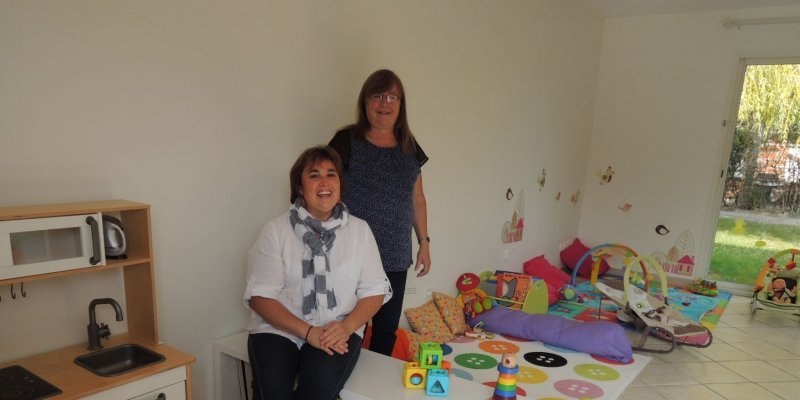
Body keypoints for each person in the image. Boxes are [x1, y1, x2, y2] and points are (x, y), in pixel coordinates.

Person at [244, 145, 392, 400]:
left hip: (338, 325)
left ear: (340, 184)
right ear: (300, 187)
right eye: (314, 175)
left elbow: (375, 291)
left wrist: (347, 327)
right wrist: (308, 332)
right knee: (272, 392)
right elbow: (260, 297)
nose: (324, 182)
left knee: (318, 390)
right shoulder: (276, 230)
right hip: (279, 328)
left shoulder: (360, 230)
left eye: (331, 174)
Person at [329, 69, 430, 356]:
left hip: (395, 256)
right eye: (376, 96)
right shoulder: (346, 140)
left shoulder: (409, 146)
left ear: (400, 104)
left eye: (391, 97)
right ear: (365, 101)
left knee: (386, 331)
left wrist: (424, 243)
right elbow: (324, 189)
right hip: (352, 255)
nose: (384, 103)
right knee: (347, 327)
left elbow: (418, 199)